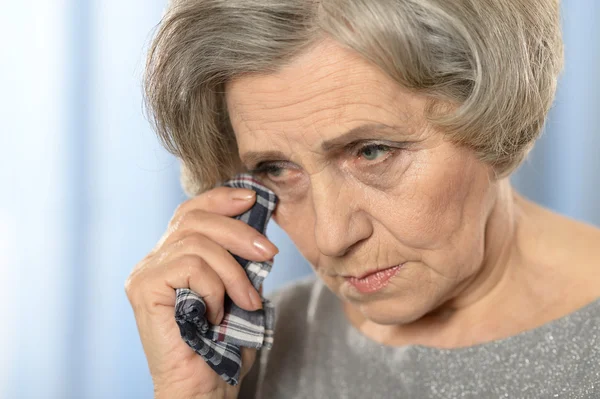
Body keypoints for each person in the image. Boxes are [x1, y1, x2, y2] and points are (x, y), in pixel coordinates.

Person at [125, 0, 600, 397]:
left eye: (372, 151)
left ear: (495, 108)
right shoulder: (243, 352)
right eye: (276, 169)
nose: (331, 238)